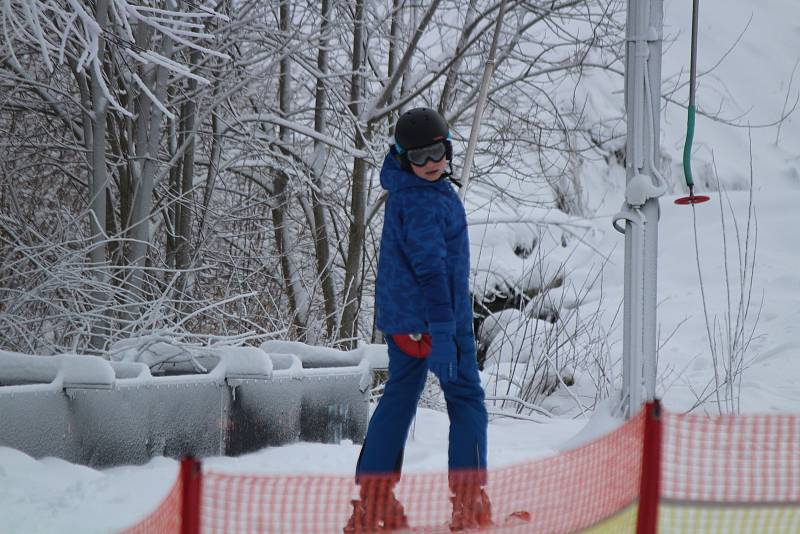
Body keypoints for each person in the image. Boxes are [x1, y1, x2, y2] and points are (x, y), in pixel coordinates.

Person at [344, 108, 490, 533]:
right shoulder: (427, 201)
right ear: (402, 156)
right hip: (438, 321)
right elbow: (432, 272)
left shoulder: (404, 190)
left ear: (447, 148)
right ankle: (469, 503)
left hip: (401, 322)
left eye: (436, 153)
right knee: (466, 403)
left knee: (399, 399)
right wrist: (443, 333)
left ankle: (373, 501)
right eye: (419, 156)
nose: (430, 164)